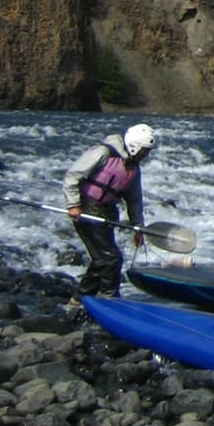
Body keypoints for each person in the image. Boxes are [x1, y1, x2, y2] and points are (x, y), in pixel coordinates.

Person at [62, 123, 155, 297]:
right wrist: (73, 205)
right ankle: (109, 297)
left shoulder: (133, 168)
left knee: (101, 259)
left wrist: (138, 228)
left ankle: (80, 298)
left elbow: (134, 200)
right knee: (111, 258)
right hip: (87, 207)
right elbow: (72, 176)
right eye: (145, 150)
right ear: (135, 146)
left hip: (107, 211)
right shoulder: (103, 153)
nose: (146, 154)